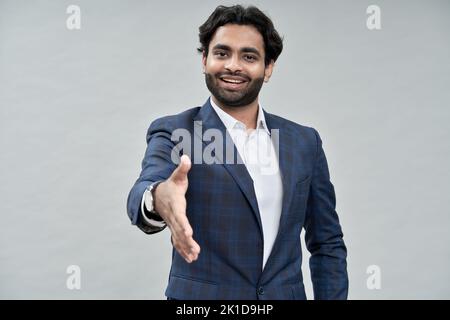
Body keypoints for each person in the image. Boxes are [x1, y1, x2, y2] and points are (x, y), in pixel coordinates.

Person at [127, 4, 348, 300]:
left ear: (268, 68)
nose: (233, 65)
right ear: (204, 60)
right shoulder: (175, 131)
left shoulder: (304, 141)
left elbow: (327, 242)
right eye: (221, 53)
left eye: (249, 56)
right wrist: (158, 198)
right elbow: (145, 187)